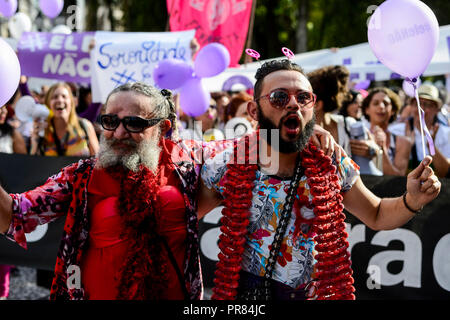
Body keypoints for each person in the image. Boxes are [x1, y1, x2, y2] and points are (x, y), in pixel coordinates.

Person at [198, 59, 441, 300]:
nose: (293, 104)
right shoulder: (229, 163)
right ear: (254, 111)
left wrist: (412, 199)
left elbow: (376, 214)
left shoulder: (331, 161)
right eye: (279, 97)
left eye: (303, 98)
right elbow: (183, 219)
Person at [308, 66, 381, 175]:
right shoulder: (297, 131)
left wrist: (373, 150)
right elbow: (274, 168)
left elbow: (378, 162)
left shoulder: (349, 125)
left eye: (305, 97)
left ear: (318, 104)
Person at [0, 105, 27, 300]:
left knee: (3, 255)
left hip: (3, 203)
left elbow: (24, 166)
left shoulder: (12, 134)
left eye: (3, 108)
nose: (2, 112)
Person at [29, 82, 99, 157]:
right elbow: (34, 164)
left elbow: (98, 160)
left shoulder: (85, 125)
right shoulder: (43, 131)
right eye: (54, 97)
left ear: (72, 102)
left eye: (64, 96)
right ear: (48, 103)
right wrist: (35, 140)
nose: (60, 100)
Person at [361, 87, 413, 176]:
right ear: (367, 110)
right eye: (375, 103)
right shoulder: (357, 139)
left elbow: (399, 179)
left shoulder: (404, 143)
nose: (381, 107)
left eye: (386, 103)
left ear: (393, 110)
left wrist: (382, 149)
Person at [407, 83, 450, 177]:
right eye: (417, 103)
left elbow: (445, 172)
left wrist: (431, 146)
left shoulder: (447, 133)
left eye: (427, 105)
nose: (420, 108)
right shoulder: (397, 131)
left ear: (437, 109)